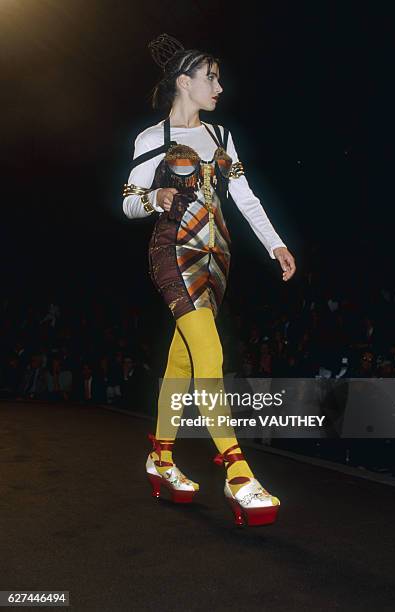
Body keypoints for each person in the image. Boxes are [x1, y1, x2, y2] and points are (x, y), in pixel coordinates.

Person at [122, 33, 296, 526]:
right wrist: (153, 200)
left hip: (215, 257)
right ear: (185, 82)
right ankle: (238, 472)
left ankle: (161, 458)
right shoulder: (152, 138)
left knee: (182, 359)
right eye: (211, 77)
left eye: (218, 78)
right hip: (172, 251)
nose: (219, 86)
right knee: (209, 351)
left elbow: (244, 195)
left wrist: (275, 243)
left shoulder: (221, 138)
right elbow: (128, 198)